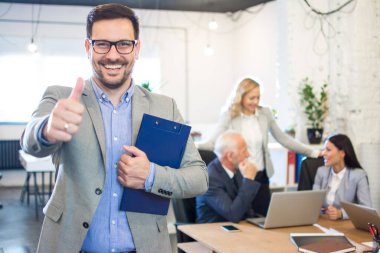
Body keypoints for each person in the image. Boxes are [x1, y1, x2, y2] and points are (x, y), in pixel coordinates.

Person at [20, 4, 208, 253]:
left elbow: (199, 178)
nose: (112, 55)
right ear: (88, 47)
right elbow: (29, 138)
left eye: (123, 44)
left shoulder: (165, 107)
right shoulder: (62, 98)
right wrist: (46, 128)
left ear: (136, 48)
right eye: (102, 44)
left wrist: (151, 175)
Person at [197, 77, 320, 215]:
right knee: (241, 216)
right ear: (241, 97)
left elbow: (283, 139)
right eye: (251, 98)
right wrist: (189, 148)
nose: (255, 102)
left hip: (262, 175)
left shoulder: (265, 114)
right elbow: (213, 142)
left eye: (258, 97)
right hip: (241, 176)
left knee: (263, 217)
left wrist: (313, 152)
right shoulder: (229, 115)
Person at [196, 131, 261, 223]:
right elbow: (233, 215)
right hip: (214, 231)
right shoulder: (210, 179)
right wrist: (249, 180)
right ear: (230, 156)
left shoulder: (237, 169)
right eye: (244, 151)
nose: (248, 154)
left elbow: (247, 209)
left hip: (238, 228)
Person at [313, 133, 371, 220]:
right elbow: (313, 203)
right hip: (323, 223)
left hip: (347, 227)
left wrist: (341, 214)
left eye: (328, 150)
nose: (323, 153)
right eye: (323, 149)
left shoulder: (359, 175)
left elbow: (367, 209)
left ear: (342, 153)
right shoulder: (321, 172)